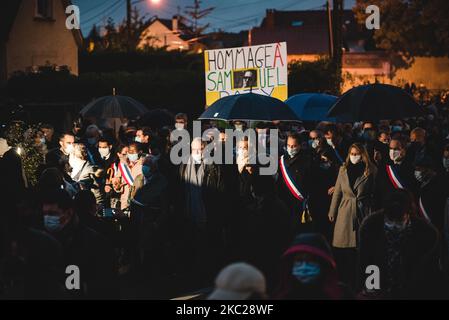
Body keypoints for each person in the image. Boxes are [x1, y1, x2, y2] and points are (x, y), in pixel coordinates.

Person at [359, 189, 441, 299]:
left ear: (409, 214)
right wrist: (371, 291)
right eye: (390, 220)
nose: (394, 225)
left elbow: (427, 274)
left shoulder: (426, 236)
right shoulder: (371, 229)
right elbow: (369, 264)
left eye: (399, 221)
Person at [40, 189, 119, 299]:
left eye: (53, 214)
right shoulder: (44, 242)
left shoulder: (94, 243)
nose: (48, 219)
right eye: (45, 214)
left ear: (68, 213)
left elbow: (106, 286)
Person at [176, 137, 225, 286]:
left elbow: (219, 192)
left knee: (207, 246)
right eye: (194, 149)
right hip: (189, 211)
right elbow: (180, 190)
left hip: (208, 213)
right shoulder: (184, 164)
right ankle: (193, 274)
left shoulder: (214, 166)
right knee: (192, 244)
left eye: (200, 149)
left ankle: (207, 275)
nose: (196, 152)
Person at [328, 143, 377, 289]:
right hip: (345, 210)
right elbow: (337, 192)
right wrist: (332, 211)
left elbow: (376, 192)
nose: (354, 157)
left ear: (363, 155)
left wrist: (372, 211)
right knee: (344, 248)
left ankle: (363, 284)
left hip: (363, 210)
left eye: (357, 154)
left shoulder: (371, 170)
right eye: (352, 154)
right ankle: (346, 282)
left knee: (362, 249)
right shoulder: (343, 169)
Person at [274, 233, 344, 300]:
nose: (304, 267)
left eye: (311, 261)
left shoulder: (341, 295)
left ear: (323, 264)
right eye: (299, 261)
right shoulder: (282, 296)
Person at [129, 155, 169, 272]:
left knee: (152, 251)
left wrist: (156, 223)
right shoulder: (139, 178)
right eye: (143, 165)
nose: (144, 168)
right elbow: (133, 196)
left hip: (151, 222)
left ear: (154, 168)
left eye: (148, 165)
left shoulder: (161, 182)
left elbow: (164, 207)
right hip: (137, 221)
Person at [276, 132, 313, 234]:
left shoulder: (307, 161)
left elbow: (311, 182)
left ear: (300, 146)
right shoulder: (282, 160)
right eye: (288, 145)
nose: (291, 148)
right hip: (284, 201)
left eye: (294, 146)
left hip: (299, 202)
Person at [375, 137, 417, 207]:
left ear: (404, 150)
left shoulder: (412, 168)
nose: (392, 151)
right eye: (390, 148)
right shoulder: (385, 168)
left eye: (396, 149)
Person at [414, 157, 449, 233]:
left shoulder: (440, 185)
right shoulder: (419, 183)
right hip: (424, 223)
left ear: (429, 170)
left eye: (420, 169)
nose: (417, 172)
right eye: (416, 169)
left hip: (436, 224)